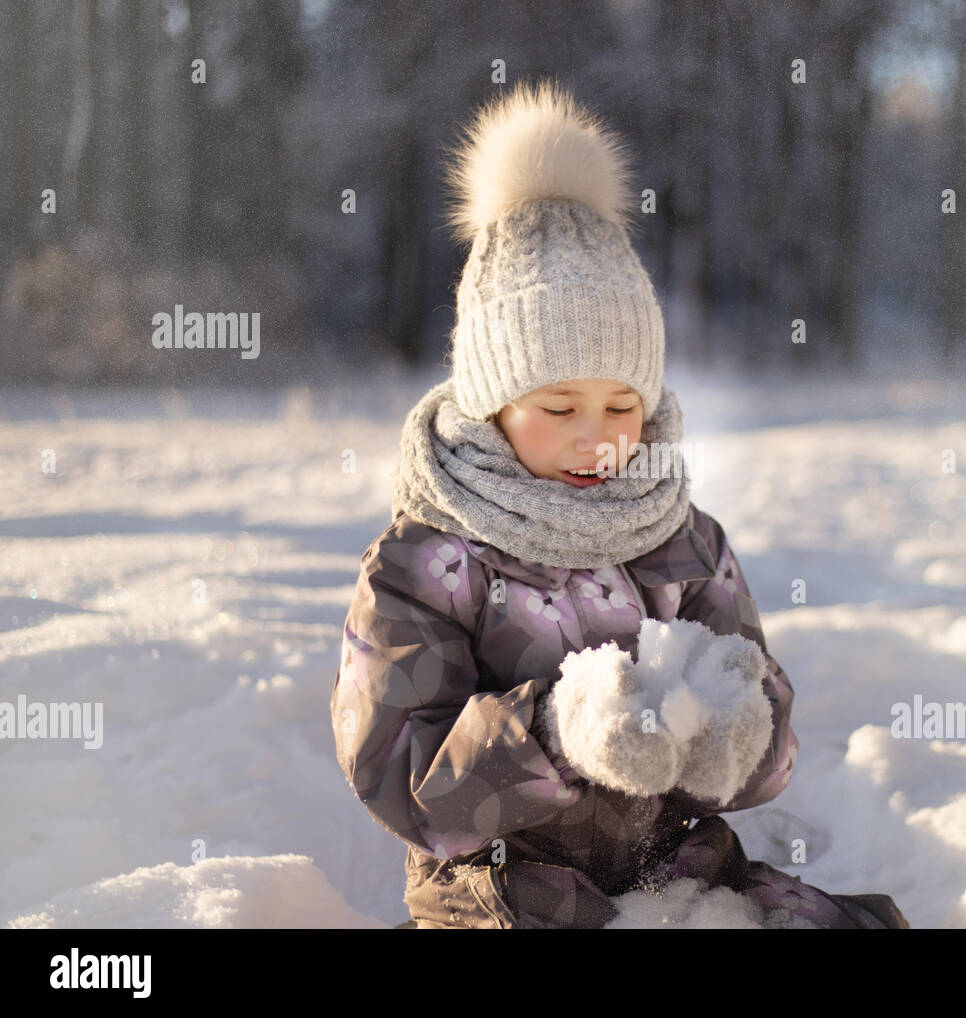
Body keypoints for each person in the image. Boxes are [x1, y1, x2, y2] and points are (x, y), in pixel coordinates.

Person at [328, 77, 909, 930]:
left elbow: (769, 727)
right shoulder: (428, 559)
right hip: (497, 894)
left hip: (680, 872)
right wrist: (559, 731)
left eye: (623, 406)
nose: (596, 435)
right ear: (492, 402)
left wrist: (739, 732)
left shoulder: (683, 539)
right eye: (560, 409)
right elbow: (401, 772)